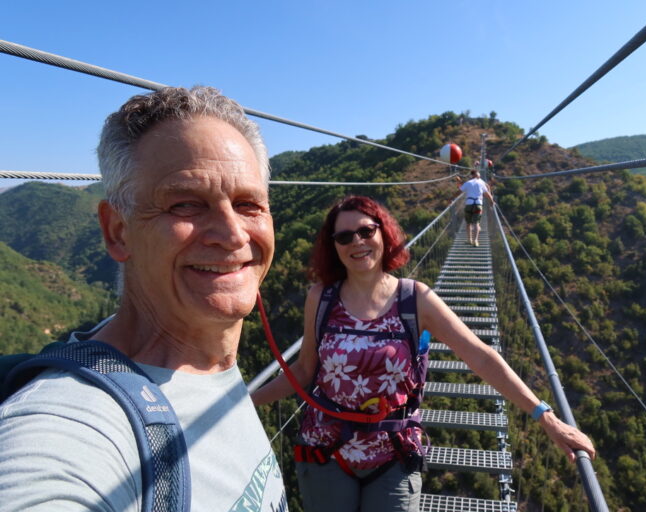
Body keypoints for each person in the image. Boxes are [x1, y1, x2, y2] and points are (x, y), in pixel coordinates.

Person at [0, 86, 287, 511]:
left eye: (248, 205)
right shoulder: (75, 425)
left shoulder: (208, 365)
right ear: (118, 231)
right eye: (187, 205)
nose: (232, 235)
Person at [251, 195, 595, 512]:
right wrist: (244, 401)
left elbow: (481, 356)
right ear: (334, 247)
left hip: (393, 453)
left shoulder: (415, 300)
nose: (356, 242)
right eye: (344, 237)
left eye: (365, 230)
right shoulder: (321, 297)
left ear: (383, 233)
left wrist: (547, 419)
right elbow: (304, 370)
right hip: (325, 449)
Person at [456, 169, 494, 246]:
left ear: (471, 175)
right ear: (477, 175)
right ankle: (475, 241)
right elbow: (487, 194)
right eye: (479, 175)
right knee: (476, 223)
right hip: (478, 204)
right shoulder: (481, 182)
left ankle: (469, 240)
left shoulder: (468, 183)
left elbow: (459, 191)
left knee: (468, 223)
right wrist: (491, 202)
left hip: (469, 204)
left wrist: (450, 199)